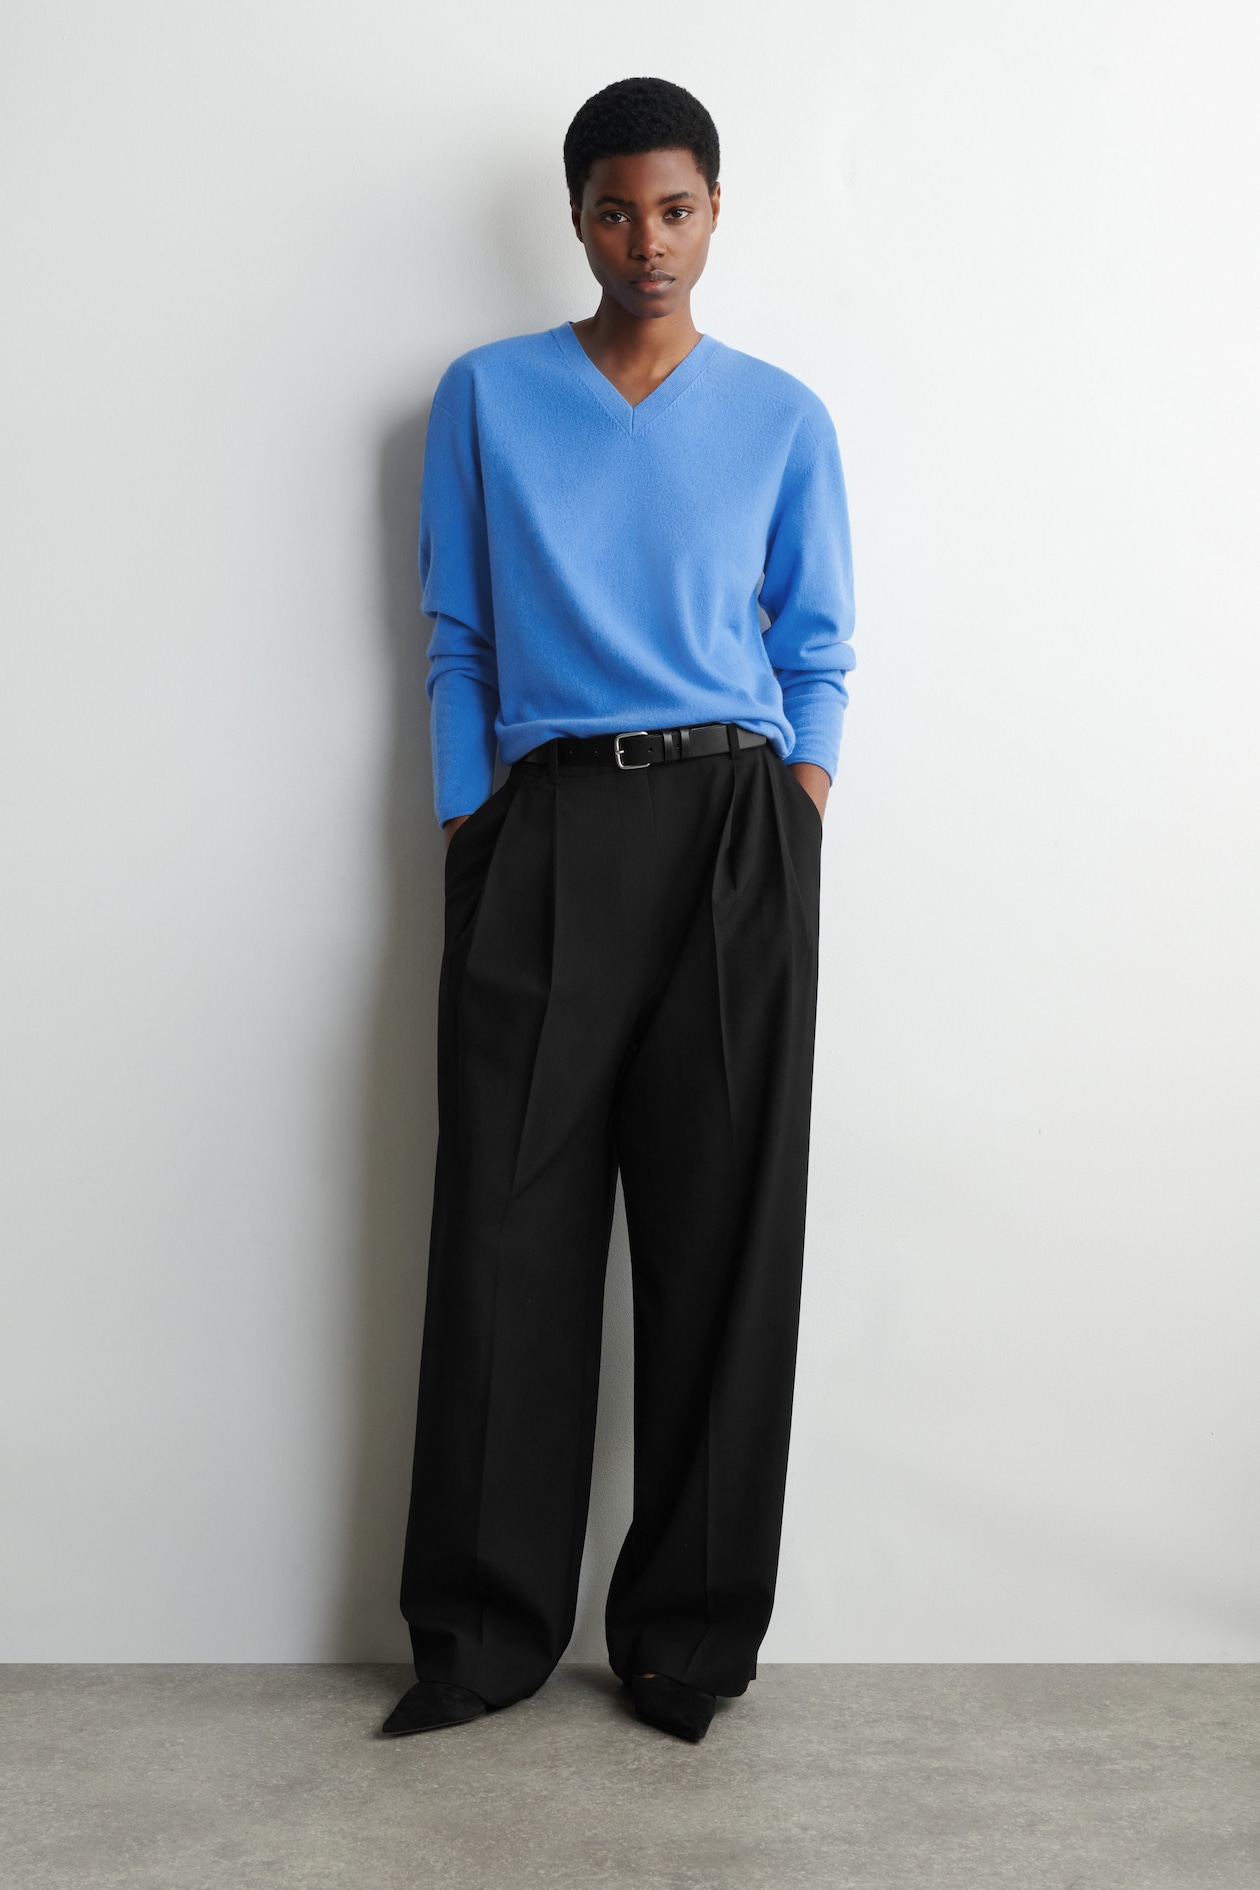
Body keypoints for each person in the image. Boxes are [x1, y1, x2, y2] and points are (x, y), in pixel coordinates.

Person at [384, 76, 854, 1745]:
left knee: (725, 1230)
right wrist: (474, 818)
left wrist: (793, 816)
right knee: (506, 1225)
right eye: (614, 209)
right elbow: (456, 631)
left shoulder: (783, 416)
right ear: (576, 217)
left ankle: (687, 1641)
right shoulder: (488, 397)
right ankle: (481, 1634)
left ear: (715, 213)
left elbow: (817, 645)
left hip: (736, 825)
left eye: (676, 209)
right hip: (549, 823)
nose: (646, 241)